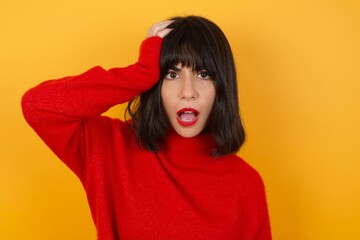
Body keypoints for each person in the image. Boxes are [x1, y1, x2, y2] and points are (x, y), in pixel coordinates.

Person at [22, 16, 271, 239]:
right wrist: (141, 74)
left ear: (222, 87)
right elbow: (38, 105)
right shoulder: (109, 147)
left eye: (203, 74)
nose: (188, 92)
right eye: (172, 75)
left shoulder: (246, 185)